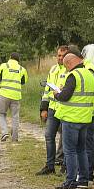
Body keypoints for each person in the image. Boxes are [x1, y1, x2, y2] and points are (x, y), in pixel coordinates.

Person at [53, 46, 94, 189]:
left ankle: (70, 181)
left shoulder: (73, 76)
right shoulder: (89, 74)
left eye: (66, 66)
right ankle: (83, 180)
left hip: (71, 119)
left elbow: (65, 96)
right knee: (81, 150)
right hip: (85, 119)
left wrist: (56, 94)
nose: (66, 69)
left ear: (70, 63)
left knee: (70, 151)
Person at [36, 45, 68, 175]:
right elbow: (47, 90)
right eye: (58, 55)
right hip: (52, 109)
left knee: (66, 138)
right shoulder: (53, 69)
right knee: (49, 136)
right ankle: (50, 166)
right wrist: (43, 108)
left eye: (63, 55)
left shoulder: (69, 70)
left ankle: (66, 165)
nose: (60, 58)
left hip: (65, 109)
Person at [0, 52, 28, 142]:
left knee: (1, 114)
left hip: (4, 94)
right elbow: (23, 81)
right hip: (16, 96)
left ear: (10, 58)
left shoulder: (3, 66)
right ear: (18, 60)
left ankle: (5, 132)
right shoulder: (22, 69)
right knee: (15, 116)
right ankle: (15, 138)